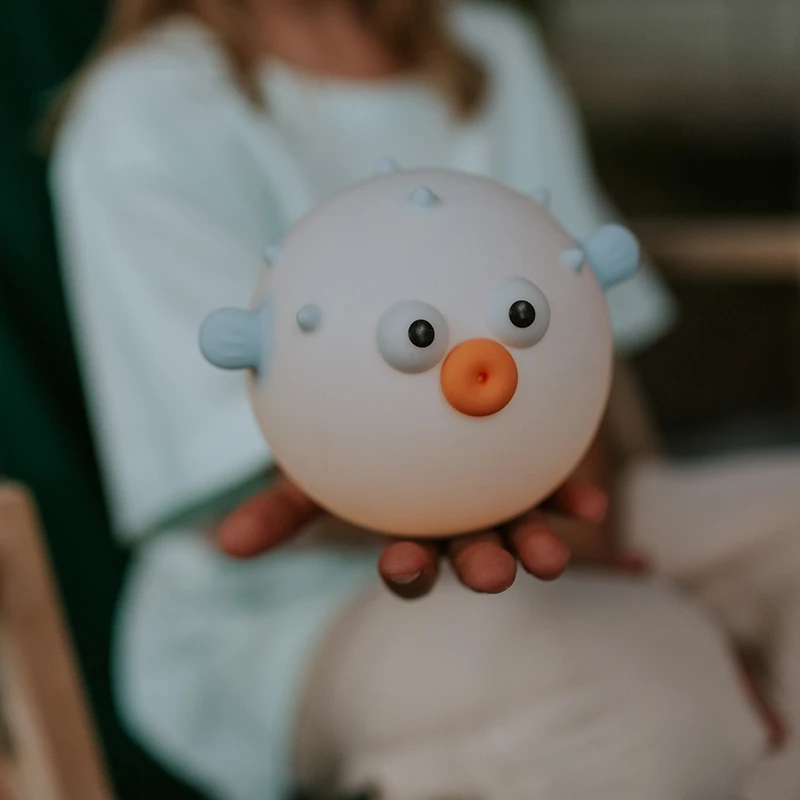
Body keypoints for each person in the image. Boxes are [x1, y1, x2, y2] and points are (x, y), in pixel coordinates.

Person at [49, 1, 765, 798]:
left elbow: (572, 327)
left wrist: (587, 549)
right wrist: (509, 523)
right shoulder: (147, 109)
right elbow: (229, 473)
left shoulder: (487, 49)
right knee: (643, 682)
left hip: (555, 498)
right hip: (291, 603)